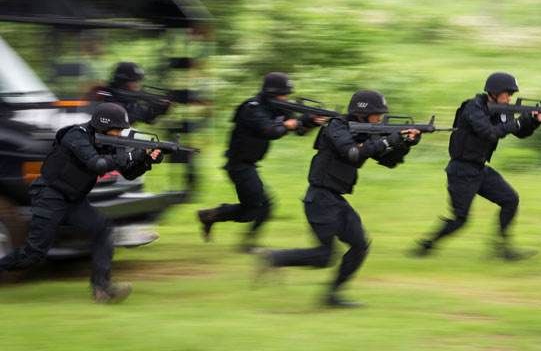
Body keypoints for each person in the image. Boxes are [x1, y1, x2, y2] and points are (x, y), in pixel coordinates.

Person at [257, 90, 421, 307]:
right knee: (325, 256)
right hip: (320, 198)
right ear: (363, 113)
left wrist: (405, 143)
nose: (380, 118)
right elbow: (353, 153)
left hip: (335, 199)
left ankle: (332, 296)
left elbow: (389, 161)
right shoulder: (337, 126)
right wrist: (387, 140)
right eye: (377, 113)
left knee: (359, 245)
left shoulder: (367, 133)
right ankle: (275, 258)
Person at [0, 103, 163, 303]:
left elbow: (128, 173)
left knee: (102, 229)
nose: (120, 133)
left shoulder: (110, 141)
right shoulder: (76, 136)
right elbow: (97, 164)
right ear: (103, 126)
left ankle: (102, 290)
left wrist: (145, 160)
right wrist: (130, 155)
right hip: (50, 195)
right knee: (33, 253)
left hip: (73, 199)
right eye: (117, 129)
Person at [411, 72, 541, 260]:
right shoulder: (472, 108)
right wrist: (518, 121)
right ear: (494, 92)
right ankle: (427, 245)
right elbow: (489, 132)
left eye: (511, 95)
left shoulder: (502, 110)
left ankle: (503, 249)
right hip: (461, 170)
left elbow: (520, 132)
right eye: (507, 94)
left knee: (510, 200)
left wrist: (533, 121)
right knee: (461, 219)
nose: (509, 98)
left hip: (479, 169)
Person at [197, 72, 324, 252]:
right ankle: (242, 241)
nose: (286, 98)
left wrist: (311, 121)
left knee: (253, 209)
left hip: (248, 164)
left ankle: (211, 215)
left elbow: (299, 130)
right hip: (238, 165)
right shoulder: (252, 108)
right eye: (283, 94)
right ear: (271, 93)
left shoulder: (278, 108)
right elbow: (270, 131)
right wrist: (290, 124)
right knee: (261, 207)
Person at [90, 62, 170, 124]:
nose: (137, 85)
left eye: (138, 81)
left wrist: (158, 110)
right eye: (134, 81)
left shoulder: (129, 102)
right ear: (122, 82)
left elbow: (146, 117)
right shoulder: (104, 94)